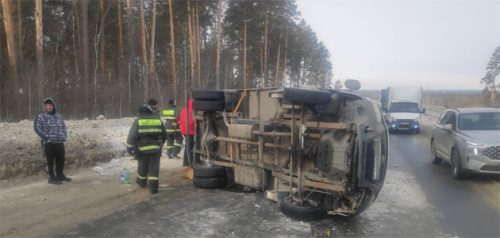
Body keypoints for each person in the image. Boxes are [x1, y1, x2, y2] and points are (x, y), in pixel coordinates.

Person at [126, 101, 167, 194]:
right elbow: (164, 134)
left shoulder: (138, 121)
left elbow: (131, 136)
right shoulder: (157, 120)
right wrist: (161, 144)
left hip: (142, 150)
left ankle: (141, 183)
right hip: (156, 149)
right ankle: (153, 188)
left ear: (140, 112)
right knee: (154, 169)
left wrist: (129, 148)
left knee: (142, 167)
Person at [34, 98, 71, 185]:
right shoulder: (41, 116)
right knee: (49, 161)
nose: (49, 107)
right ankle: (51, 178)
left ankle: (60, 175)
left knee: (60, 160)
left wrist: (64, 136)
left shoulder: (58, 115)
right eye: (48, 105)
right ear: (45, 106)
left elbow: (63, 126)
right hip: (48, 143)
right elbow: (37, 128)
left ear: (53, 106)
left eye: (51, 105)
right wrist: (46, 138)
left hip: (59, 142)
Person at [179, 98, 195, 167]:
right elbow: (191, 122)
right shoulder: (191, 111)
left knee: (187, 146)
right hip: (190, 131)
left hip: (184, 130)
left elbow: (180, 120)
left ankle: (185, 162)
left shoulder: (184, 109)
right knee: (190, 147)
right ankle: (190, 162)